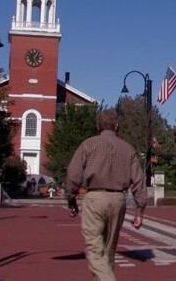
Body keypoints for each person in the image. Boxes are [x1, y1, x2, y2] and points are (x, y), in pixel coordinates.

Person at [65, 109, 147, 281]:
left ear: (98, 126)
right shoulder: (128, 149)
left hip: (95, 197)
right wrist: (140, 210)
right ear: (117, 126)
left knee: (95, 251)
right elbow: (139, 179)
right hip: (118, 199)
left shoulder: (88, 145)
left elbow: (73, 174)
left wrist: (71, 199)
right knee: (108, 253)